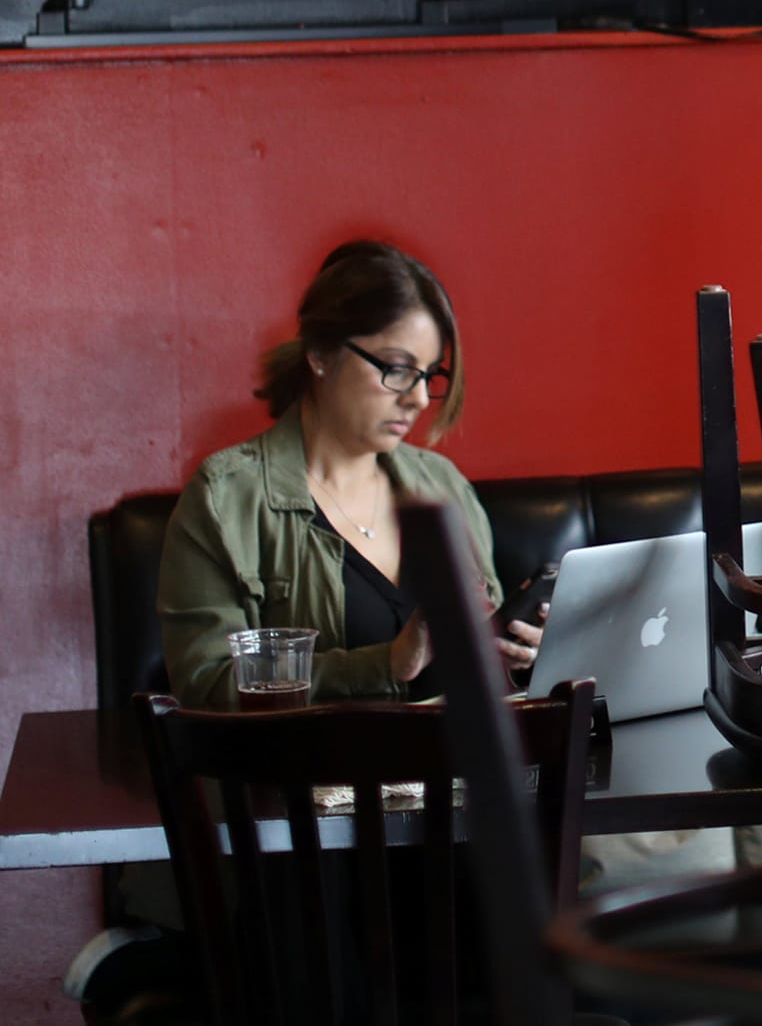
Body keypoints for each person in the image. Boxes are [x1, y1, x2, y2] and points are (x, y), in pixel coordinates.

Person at [157, 240, 542, 709]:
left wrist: (522, 656)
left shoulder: (444, 486)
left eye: (428, 375)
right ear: (320, 353)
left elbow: (483, 674)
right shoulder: (226, 498)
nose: (418, 398)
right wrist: (385, 664)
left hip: (459, 779)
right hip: (315, 780)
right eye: (398, 369)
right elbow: (205, 688)